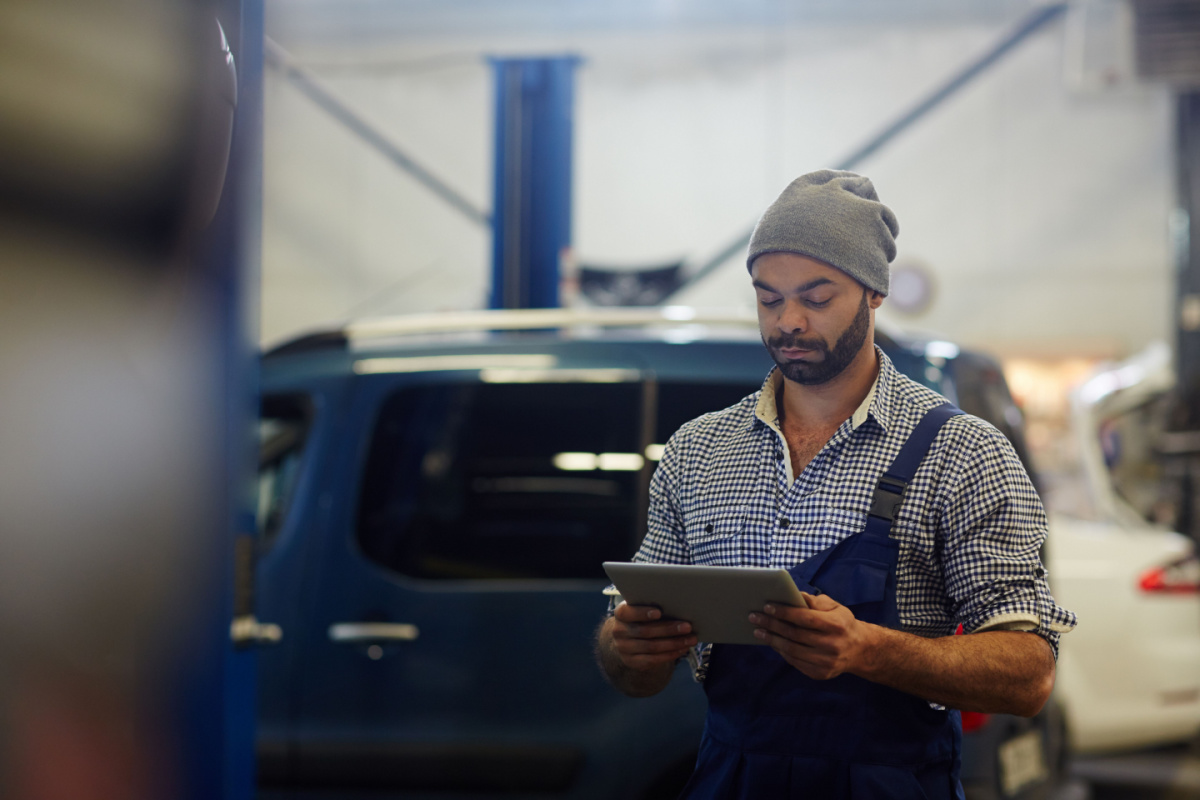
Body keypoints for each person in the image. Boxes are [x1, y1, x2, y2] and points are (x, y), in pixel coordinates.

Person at [594, 170, 1076, 799]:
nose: (788, 321)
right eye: (769, 299)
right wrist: (628, 645)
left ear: (874, 293)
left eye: (816, 298)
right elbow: (634, 676)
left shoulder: (962, 453)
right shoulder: (698, 451)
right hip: (730, 780)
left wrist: (867, 650)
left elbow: (1028, 676)